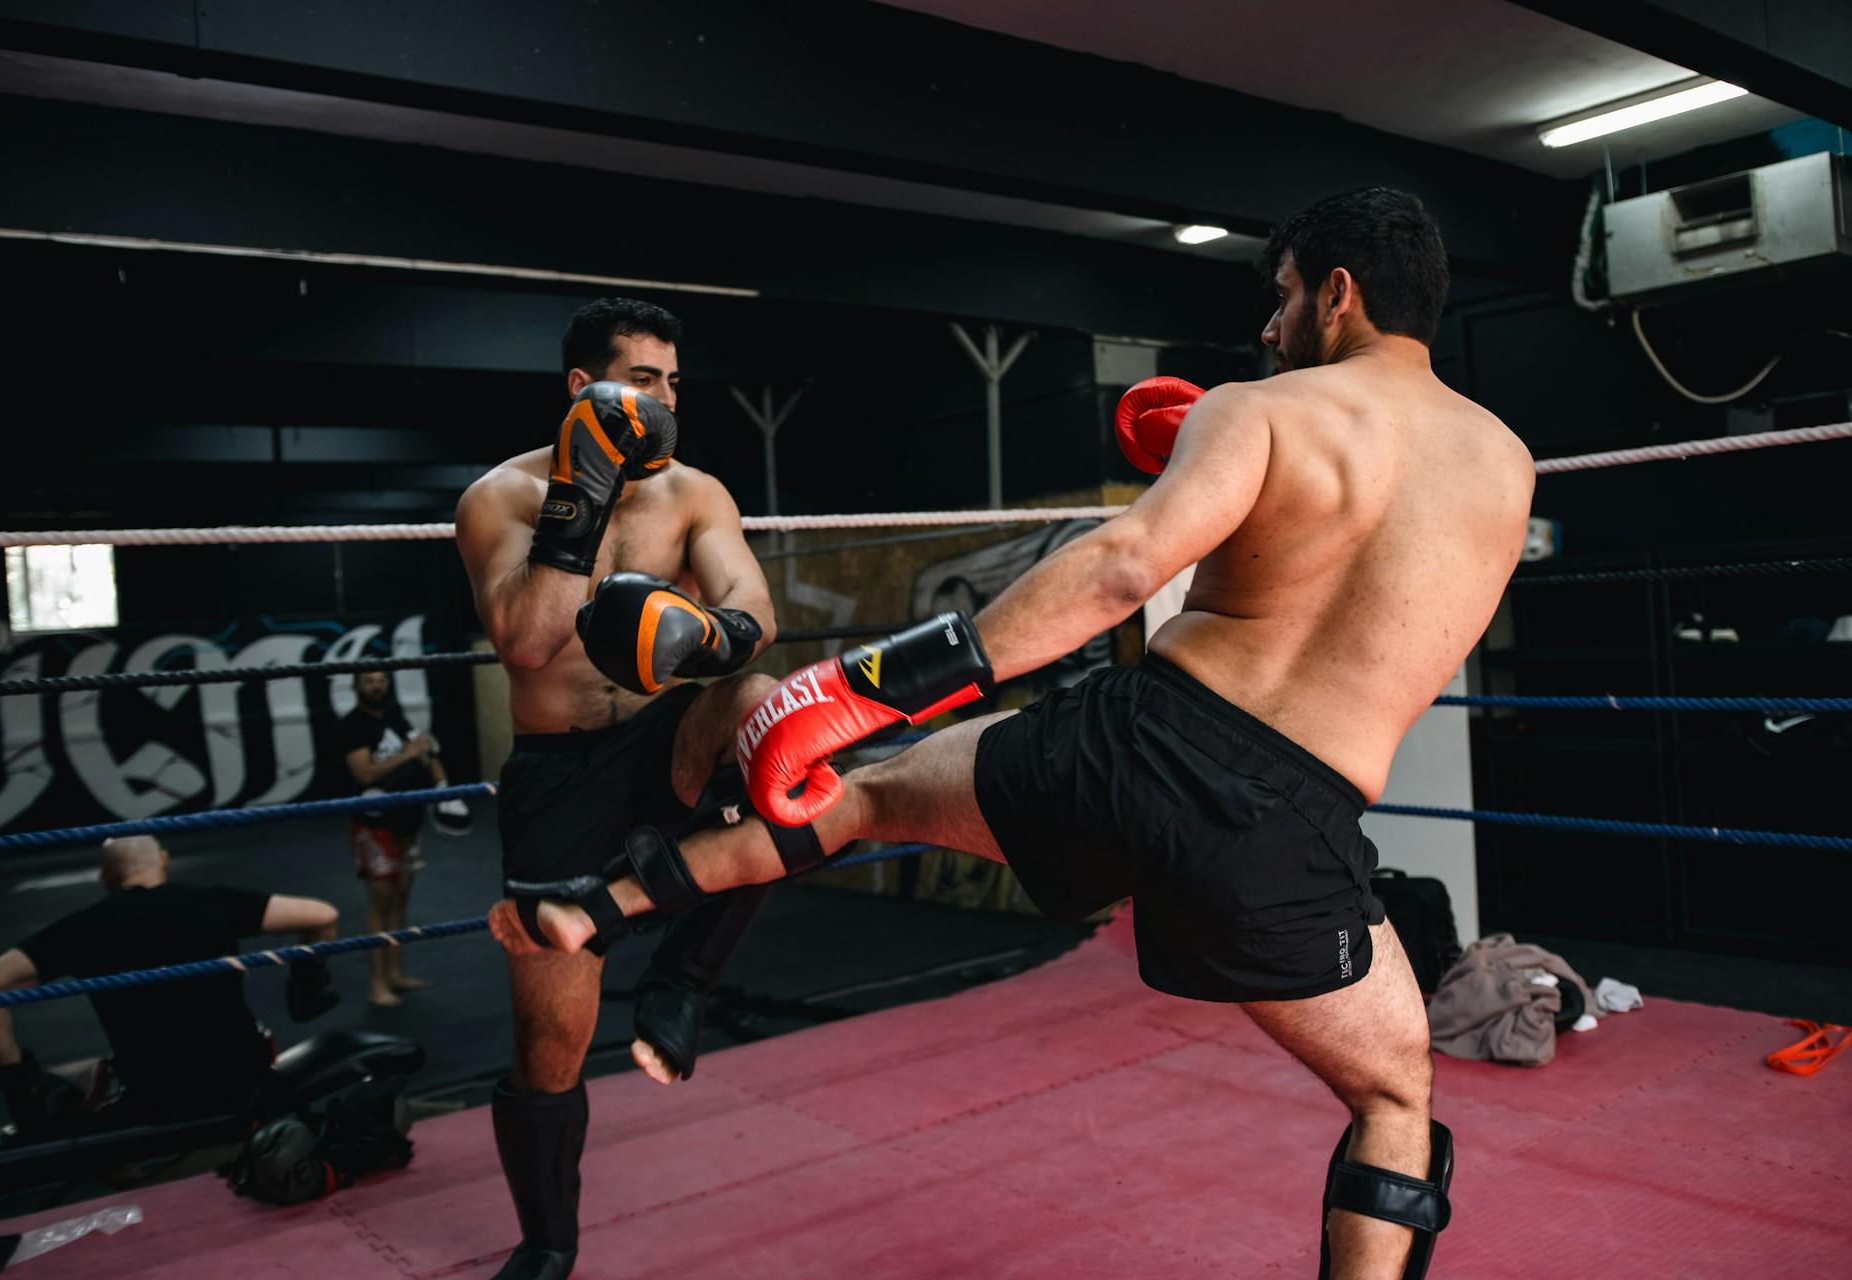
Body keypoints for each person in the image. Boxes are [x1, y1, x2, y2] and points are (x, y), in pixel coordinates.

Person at [491, 190, 1537, 1280]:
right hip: (1286, 831)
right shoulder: (1504, 464)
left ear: (1338, 292)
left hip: (1126, 752)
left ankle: (592, 904)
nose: (1268, 331)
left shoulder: (1263, 409)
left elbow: (1128, 566)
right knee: (1393, 1093)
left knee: (864, 791)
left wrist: (873, 684)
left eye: (1280, 301)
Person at [454, 297, 784, 1280]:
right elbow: (526, 639)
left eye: (673, 382)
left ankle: (684, 977)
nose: (667, 401)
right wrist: (584, 488)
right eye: (643, 380)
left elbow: (756, 608)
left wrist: (712, 636)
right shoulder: (497, 500)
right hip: (559, 779)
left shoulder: (694, 493)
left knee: (771, 708)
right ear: (582, 389)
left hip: (661, 739)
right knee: (551, 1037)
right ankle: (550, 1240)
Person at [0, 836, 342, 1132]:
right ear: (163, 860)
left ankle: (125, 1176)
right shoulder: (212, 901)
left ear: (105, 877)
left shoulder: (82, 927)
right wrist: (305, 990)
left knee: (56, 1086)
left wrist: (20, 1090)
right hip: (245, 1077)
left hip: (155, 1094)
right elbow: (322, 915)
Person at [340, 667, 455, 1006]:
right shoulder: (352, 726)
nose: (377, 685)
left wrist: (444, 789)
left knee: (401, 895)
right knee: (380, 900)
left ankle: (393, 973)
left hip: (407, 820)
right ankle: (377, 984)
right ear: (356, 686)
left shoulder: (395, 715)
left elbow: (426, 750)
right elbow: (363, 773)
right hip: (373, 824)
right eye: (369, 680)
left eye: (381, 680)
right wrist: (408, 752)